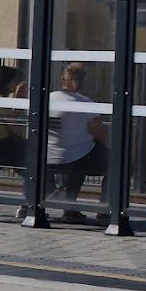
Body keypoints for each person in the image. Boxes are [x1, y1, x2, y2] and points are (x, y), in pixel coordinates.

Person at [47, 62, 109, 223]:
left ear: (62, 79)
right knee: (115, 164)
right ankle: (104, 209)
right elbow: (99, 133)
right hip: (77, 156)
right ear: (82, 81)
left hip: (48, 155)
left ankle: (70, 207)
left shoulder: (48, 98)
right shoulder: (86, 103)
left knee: (77, 160)